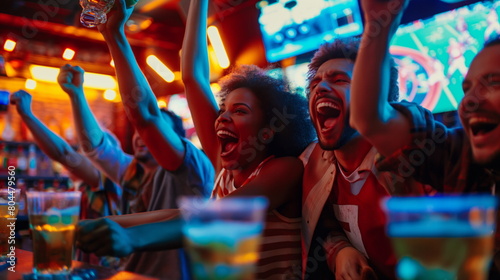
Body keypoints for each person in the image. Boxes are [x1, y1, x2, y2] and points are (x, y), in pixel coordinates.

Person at [77, 0, 315, 279]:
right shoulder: (226, 167)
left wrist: (132, 237)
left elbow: (217, 216)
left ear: (268, 131)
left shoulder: (286, 169)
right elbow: (192, 77)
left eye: (239, 111)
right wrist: (107, 223)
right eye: (223, 109)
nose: (222, 117)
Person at [349, 0, 500, 277]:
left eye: (493, 82)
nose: (468, 102)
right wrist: (378, 26)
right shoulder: (461, 159)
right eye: (467, 88)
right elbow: (369, 121)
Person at [57, 64, 214, 279]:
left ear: (175, 141)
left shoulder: (190, 170)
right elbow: (94, 146)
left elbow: (146, 115)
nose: (142, 136)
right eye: (139, 132)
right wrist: (76, 95)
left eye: (153, 134)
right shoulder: (133, 172)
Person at [10, 89, 122, 266]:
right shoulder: (80, 188)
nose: (80, 155)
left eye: (89, 153)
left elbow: (63, 153)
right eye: (82, 150)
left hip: (107, 273)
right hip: (86, 270)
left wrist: (27, 114)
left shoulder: (109, 183)